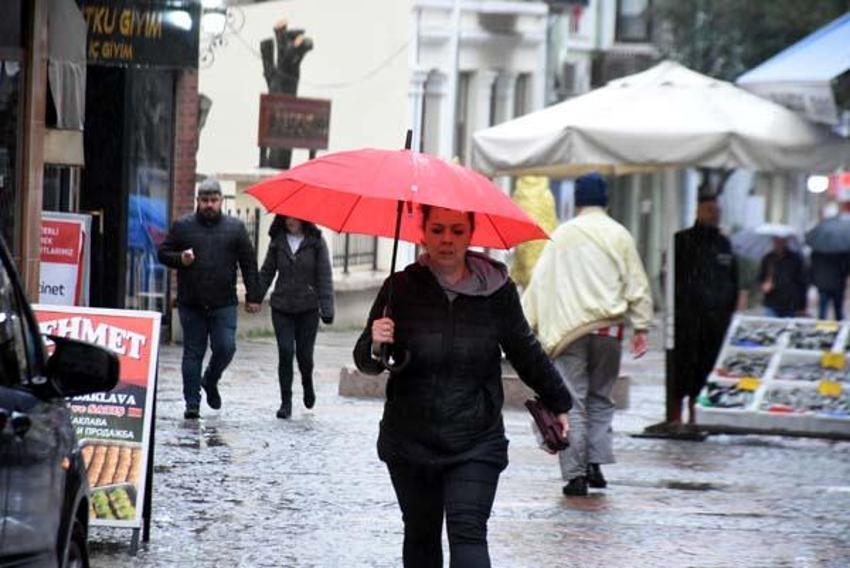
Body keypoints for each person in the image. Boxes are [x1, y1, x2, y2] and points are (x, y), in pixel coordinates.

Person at [353, 205, 572, 568]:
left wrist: (558, 401)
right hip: (410, 439)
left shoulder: (498, 291)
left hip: (475, 438)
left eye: (457, 230)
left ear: (471, 233)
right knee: (421, 535)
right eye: (437, 230)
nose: (447, 240)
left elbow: (525, 350)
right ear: (423, 231)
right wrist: (376, 343)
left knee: (468, 532)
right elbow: (367, 361)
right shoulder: (400, 288)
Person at [522, 172, 652, 497]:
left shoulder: (563, 235)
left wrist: (524, 325)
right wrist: (641, 326)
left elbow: (540, 283)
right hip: (608, 329)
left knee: (572, 402)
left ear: (577, 200)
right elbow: (636, 283)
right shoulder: (619, 234)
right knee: (601, 398)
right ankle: (595, 464)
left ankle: (575, 475)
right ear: (605, 200)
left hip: (569, 332)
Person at [158, 178, 262, 419]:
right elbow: (163, 253)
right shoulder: (183, 226)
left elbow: (248, 263)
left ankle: (211, 379)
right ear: (197, 201)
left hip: (223, 302)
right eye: (204, 200)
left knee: (226, 347)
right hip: (191, 302)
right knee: (193, 352)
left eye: (213, 200)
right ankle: (191, 403)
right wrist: (180, 259)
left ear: (221, 202)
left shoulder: (235, 228)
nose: (208, 205)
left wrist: (254, 296)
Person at [258, 215, 334, 419]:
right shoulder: (277, 241)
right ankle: (286, 402)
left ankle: (307, 382)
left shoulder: (316, 242)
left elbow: (324, 276)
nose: (290, 221)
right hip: (281, 307)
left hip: (308, 308)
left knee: (304, 356)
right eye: (286, 217)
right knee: (285, 351)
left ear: (303, 218)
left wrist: (327, 308)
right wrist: (255, 297)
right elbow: (267, 272)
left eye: (294, 217)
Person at [673, 194, 739, 425]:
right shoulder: (682, 241)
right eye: (710, 210)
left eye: (717, 210)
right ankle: (677, 414)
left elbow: (733, 279)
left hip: (716, 322)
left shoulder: (724, 244)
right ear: (699, 211)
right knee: (683, 367)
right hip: (686, 321)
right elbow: (671, 278)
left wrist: (729, 311)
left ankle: (697, 412)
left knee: (707, 367)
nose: (715, 215)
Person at [758, 236, 807, 318]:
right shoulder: (767, 258)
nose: (779, 243)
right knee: (770, 329)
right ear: (773, 241)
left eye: (781, 240)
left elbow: (802, 283)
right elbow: (760, 278)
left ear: (786, 241)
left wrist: (802, 306)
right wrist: (763, 285)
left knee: (789, 330)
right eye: (776, 240)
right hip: (771, 303)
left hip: (790, 304)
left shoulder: (795, 258)